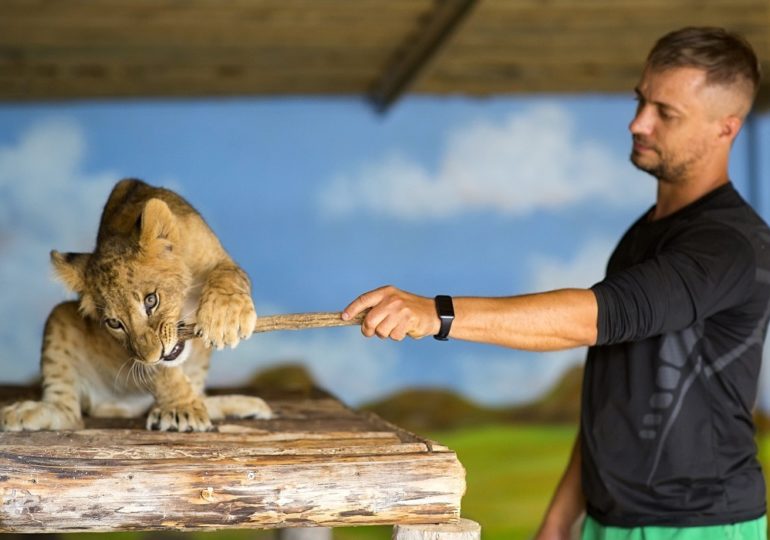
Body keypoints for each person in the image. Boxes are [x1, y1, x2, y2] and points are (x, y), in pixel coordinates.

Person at [342, 27, 768, 540]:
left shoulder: (730, 246)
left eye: (666, 112)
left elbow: (598, 316)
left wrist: (438, 313)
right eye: (640, 100)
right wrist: (561, 520)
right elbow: (614, 399)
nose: (638, 122)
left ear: (726, 128)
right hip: (606, 521)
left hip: (702, 527)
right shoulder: (646, 234)